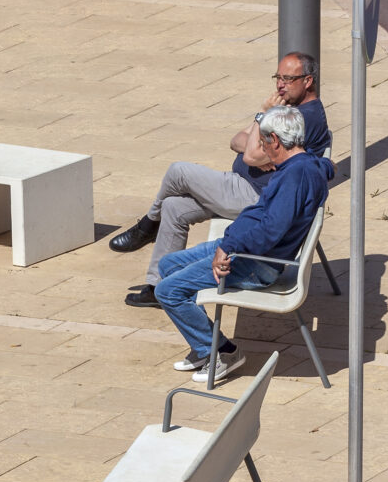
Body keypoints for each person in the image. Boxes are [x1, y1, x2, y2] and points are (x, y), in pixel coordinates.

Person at [109, 53, 330, 308]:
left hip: (253, 194)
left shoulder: (303, 117)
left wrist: (261, 116)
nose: (280, 85)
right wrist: (255, 143)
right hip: (239, 187)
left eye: (288, 79)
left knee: (178, 171)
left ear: (308, 81)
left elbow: (248, 155)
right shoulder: (287, 110)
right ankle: (157, 286)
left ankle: (147, 226)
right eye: (278, 77)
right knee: (174, 207)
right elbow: (236, 140)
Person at [155, 103, 333, 386]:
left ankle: (223, 352)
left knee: (168, 291)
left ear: (276, 140)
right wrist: (230, 240)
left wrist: (229, 246)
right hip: (245, 249)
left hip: (257, 264)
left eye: (263, 142)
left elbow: (270, 232)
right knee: (168, 264)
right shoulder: (305, 163)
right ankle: (205, 347)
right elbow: (264, 215)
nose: (262, 150)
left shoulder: (294, 177)